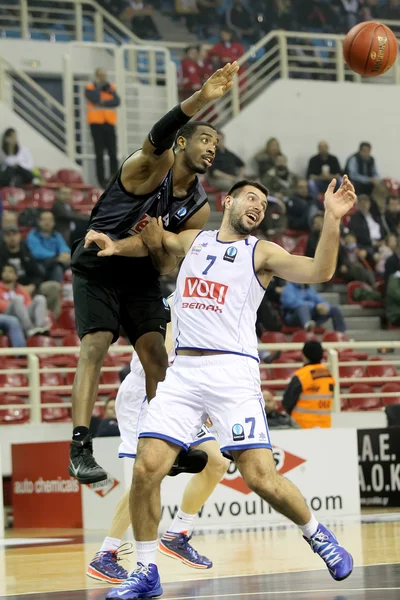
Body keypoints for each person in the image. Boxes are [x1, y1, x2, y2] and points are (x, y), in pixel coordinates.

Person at [87, 175, 356, 597]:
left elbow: (320, 270)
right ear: (228, 201)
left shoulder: (262, 252)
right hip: (183, 373)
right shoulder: (195, 239)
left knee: (261, 478)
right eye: (251, 198)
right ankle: (145, 569)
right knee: (145, 470)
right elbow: (155, 245)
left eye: (263, 205)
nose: (258, 207)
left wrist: (332, 219)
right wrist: (117, 245)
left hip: (232, 375)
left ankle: (316, 533)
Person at [69, 62, 239, 485]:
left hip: (140, 273)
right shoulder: (150, 166)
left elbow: (168, 265)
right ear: (181, 143)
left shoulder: (198, 207)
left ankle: (166, 443)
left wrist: (156, 244)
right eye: (204, 138)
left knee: (157, 357)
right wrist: (201, 98)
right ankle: (79, 447)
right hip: (98, 261)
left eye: (217, 143)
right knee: (97, 344)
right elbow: (156, 136)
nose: (212, 147)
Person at [87, 304, 229, 582]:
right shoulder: (175, 303)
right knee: (148, 477)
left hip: (179, 394)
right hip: (147, 392)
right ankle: (106, 554)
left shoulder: (213, 302)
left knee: (216, 462)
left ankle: (178, 534)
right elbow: (167, 357)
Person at [0, 224, 62, 318]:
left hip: (30, 289)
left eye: (14, 234)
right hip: (9, 292)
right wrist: (18, 288)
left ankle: (52, 321)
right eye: (9, 235)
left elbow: (38, 275)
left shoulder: (26, 251)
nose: (12, 238)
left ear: (19, 236)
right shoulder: (1, 255)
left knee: (54, 287)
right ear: (4, 238)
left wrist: (32, 286)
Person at [282, 341, 335, 429]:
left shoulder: (302, 375)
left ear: (304, 355)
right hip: (325, 425)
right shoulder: (328, 374)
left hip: (301, 425)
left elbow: (287, 401)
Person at [85, 68, 121, 188]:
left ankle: (114, 177)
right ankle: (101, 180)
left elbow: (116, 101)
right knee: (99, 153)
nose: (103, 77)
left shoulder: (111, 87)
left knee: (113, 152)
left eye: (104, 75)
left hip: (109, 123)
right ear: (96, 76)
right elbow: (94, 98)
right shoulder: (90, 87)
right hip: (96, 124)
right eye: (100, 75)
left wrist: (102, 102)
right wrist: (100, 89)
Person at [0, 264, 49, 337]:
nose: (6, 273)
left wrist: (21, 310)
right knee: (17, 299)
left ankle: (39, 327)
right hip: (7, 315)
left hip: (23, 316)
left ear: (16, 276)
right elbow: (1, 306)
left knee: (40, 298)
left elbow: (29, 303)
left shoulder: (20, 289)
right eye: (4, 271)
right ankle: (29, 329)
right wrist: (16, 305)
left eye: (10, 272)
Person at [281, 281, 347, 332]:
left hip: (312, 315)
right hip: (293, 317)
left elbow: (320, 300)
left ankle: (340, 334)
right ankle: (308, 328)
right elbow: (291, 303)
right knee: (303, 307)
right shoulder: (289, 288)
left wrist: (324, 306)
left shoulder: (309, 288)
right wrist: (315, 306)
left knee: (334, 310)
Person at [26, 211, 71, 283]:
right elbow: (37, 253)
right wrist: (57, 257)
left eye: (50, 220)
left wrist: (65, 253)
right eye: (44, 220)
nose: (48, 222)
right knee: (57, 267)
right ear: (39, 222)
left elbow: (64, 247)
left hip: (56, 261)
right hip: (39, 264)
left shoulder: (56, 235)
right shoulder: (33, 235)